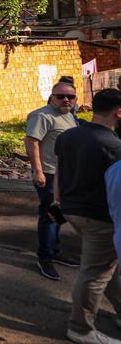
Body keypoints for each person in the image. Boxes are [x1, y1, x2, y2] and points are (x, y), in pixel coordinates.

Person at [55, 89, 121, 344]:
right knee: (96, 272)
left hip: (72, 210)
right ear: (118, 112)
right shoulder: (113, 145)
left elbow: (59, 170)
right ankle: (80, 328)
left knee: (107, 266)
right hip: (100, 217)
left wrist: (57, 201)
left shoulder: (69, 135)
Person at [26, 81, 80, 280]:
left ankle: (55, 251)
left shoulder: (70, 115)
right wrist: (38, 171)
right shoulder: (42, 116)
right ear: (52, 97)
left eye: (70, 97)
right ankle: (45, 257)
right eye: (61, 96)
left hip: (65, 174)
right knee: (49, 215)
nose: (66, 100)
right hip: (48, 174)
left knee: (58, 213)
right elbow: (32, 142)